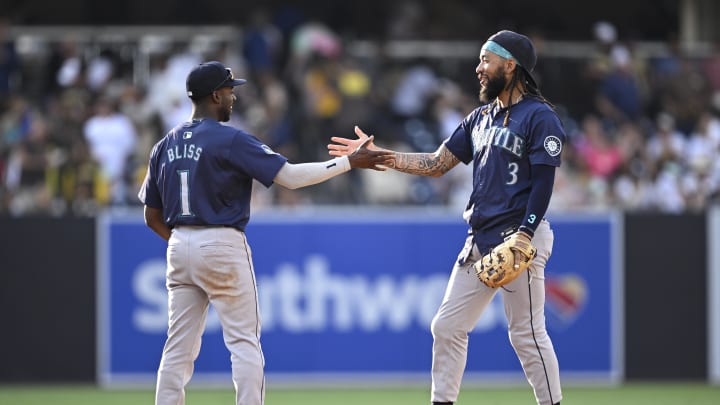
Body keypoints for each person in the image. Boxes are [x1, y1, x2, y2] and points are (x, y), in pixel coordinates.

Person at [329, 30, 564, 405]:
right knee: (447, 326)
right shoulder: (480, 118)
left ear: (511, 65)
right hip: (480, 238)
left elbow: (543, 182)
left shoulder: (539, 117)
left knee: (526, 333)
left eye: (486, 60)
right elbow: (437, 164)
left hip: (519, 238)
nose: (479, 68)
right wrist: (384, 157)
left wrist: (525, 233)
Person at [137, 60, 391, 405]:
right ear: (215, 95)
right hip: (221, 241)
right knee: (243, 341)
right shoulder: (230, 139)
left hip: (179, 244)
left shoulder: (164, 144)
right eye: (229, 91)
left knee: (178, 347)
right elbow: (291, 178)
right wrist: (348, 162)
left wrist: (186, 244)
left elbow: (151, 214)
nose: (233, 98)